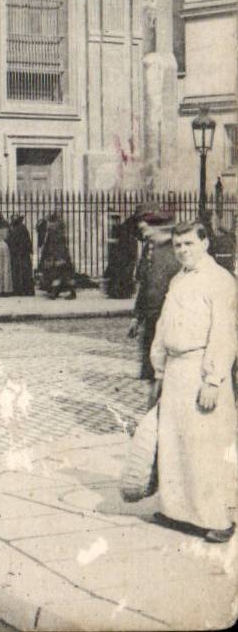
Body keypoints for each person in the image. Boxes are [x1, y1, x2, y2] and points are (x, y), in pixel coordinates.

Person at [150, 220, 238, 542]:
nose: (183, 250)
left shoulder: (220, 280)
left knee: (205, 446)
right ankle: (177, 511)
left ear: (205, 244)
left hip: (201, 368)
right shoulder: (178, 279)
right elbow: (163, 326)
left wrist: (213, 380)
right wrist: (159, 370)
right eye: (178, 245)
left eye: (189, 243)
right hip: (175, 370)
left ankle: (218, 518)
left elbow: (224, 333)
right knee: (174, 444)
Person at [129, 211, 180, 381]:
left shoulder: (175, 252)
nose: (144, 234)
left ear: (158, 228)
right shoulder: (151, 249)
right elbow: (145, 286)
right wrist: (136, 317)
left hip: (167, 316)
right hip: (152, 315)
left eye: (146, 229)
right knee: (151, 366)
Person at [37, 210, 76, 299]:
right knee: (65, 274)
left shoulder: (54, 231)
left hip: (58, 254)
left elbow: (51, 244)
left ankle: (54, 293)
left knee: (57, 273)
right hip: (63, 254)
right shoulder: (58, 229)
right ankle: (70, 292)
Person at [7, 213, 35, 297]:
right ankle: (27, 290)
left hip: (17, 253)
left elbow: (11, 241)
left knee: (18, 271)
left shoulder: (14, 229)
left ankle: (19, 290)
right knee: (25, 272)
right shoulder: (23, 227)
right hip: (24, 253)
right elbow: (28, 241)